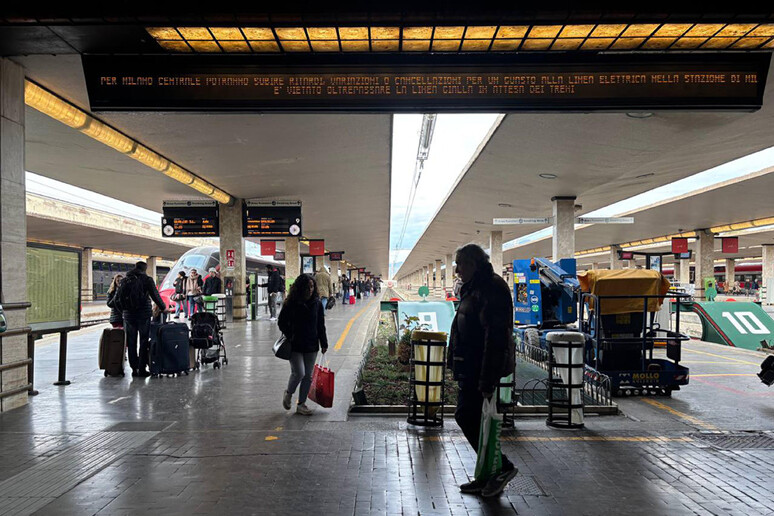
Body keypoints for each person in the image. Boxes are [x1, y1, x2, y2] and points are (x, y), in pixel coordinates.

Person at [448, 243, 517, 498]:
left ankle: (502, 468)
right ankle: (487, 473)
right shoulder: (476, 286)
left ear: (474, 264)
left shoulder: (490, 288)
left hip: (480, 368)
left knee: (467, 416)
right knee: (473, 418)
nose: (457, 270)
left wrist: (487, 379)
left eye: (461, 264)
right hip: (471, 365)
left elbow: (495, 337)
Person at [277, 274, 329, 416]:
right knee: (299, 372)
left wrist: (324, 342)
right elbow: (281, 322)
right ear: (300, 287)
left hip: (312, 344)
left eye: (312, 286)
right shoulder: (291, 302)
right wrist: (290, 334)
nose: (311, 289)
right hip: (295, 344)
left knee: (308, 376)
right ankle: (288, 393)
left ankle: (301, 404)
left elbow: (320, 325)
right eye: (308, 286)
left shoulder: (317, 304)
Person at [118, 261, 167, 377]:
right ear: (145, 269)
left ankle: (134, 369)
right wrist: (163, 307)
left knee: (131, 342)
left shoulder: (125, 280)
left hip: (129, 316)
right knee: (144, 341)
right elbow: (155, 296)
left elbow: (116, 300)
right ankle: (142, 368)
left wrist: (124, 312)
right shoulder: (147, 280)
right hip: (143, 315)